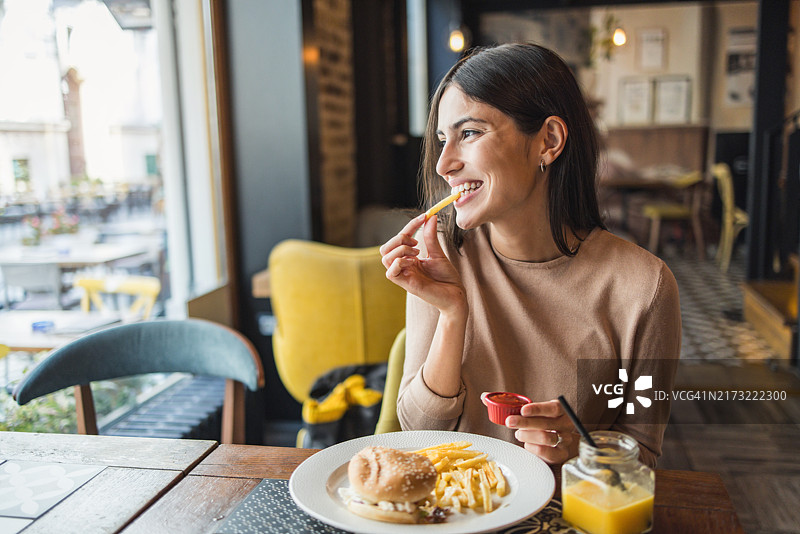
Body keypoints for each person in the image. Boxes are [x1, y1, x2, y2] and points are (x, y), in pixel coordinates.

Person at [379, 43, 680, 468]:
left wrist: (580, 449)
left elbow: (643, 455)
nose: (444, 164)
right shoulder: (443, 255)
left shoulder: (645, 287)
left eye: (469, 133)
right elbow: (419, 432)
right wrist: (451, 313)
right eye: (442, 139)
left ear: (548, 141)